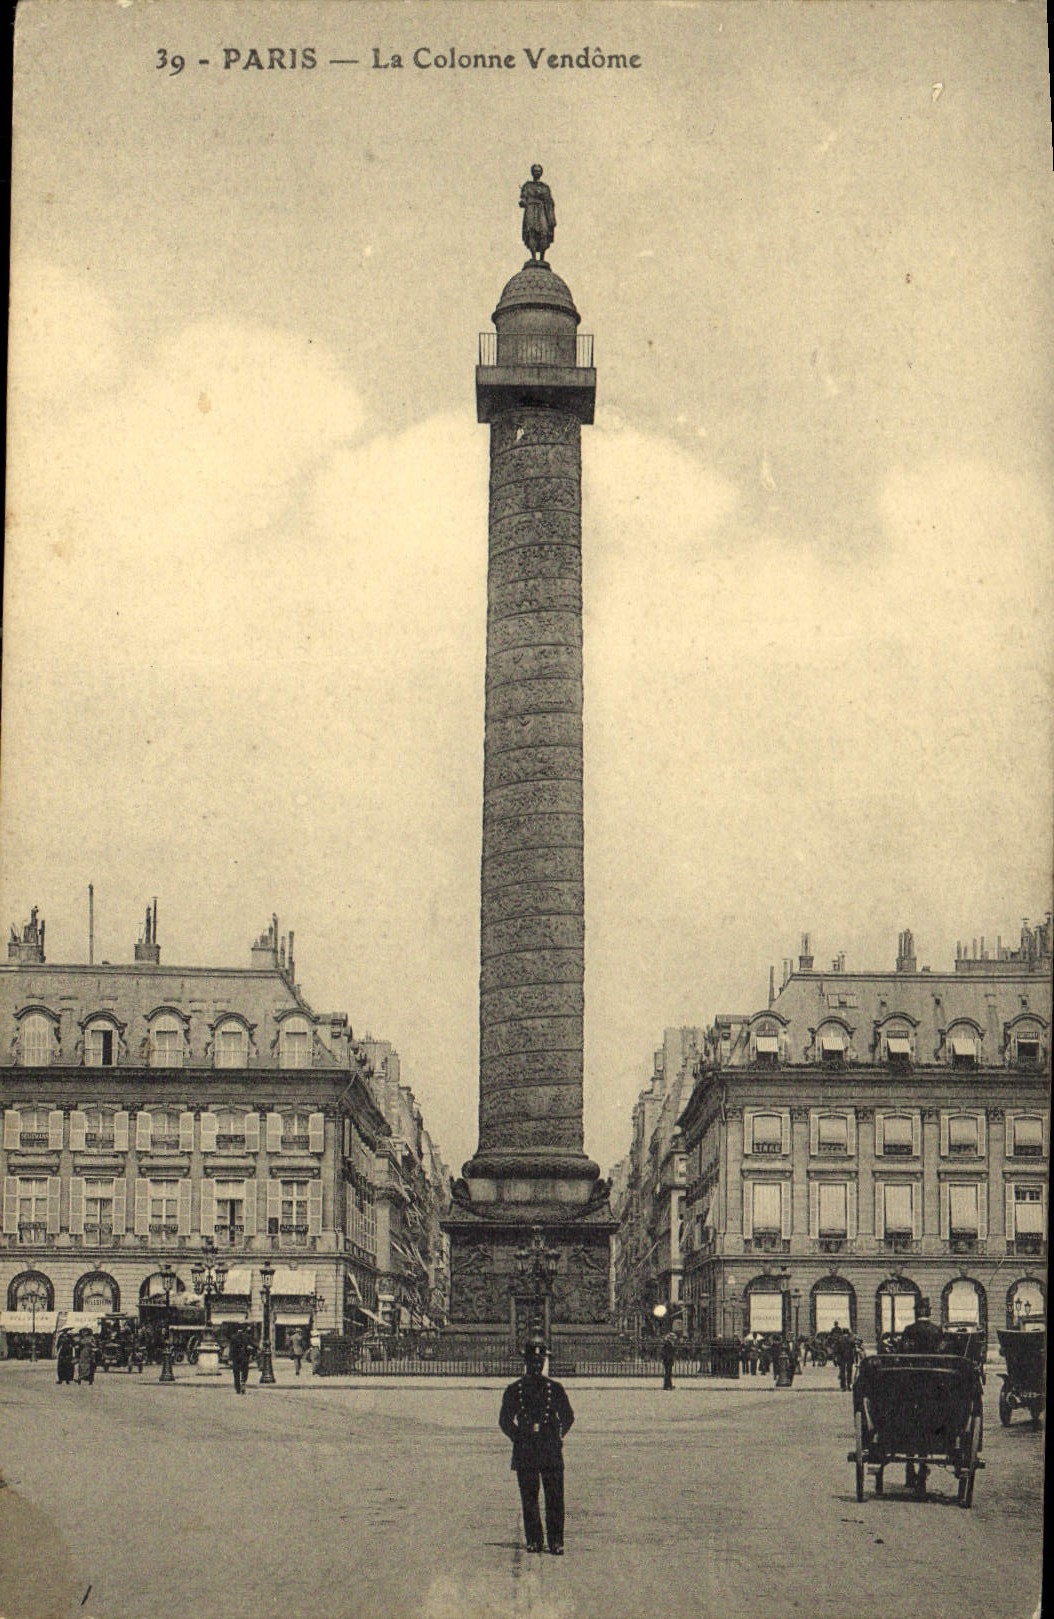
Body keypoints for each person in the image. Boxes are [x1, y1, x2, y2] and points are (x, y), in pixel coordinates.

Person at [499, 1335, 575, 1555]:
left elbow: (568, 1416)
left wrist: (555, 1436)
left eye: (539, 1362)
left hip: (547, 1448)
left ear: (543, 1363)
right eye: (533, 1362)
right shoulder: (515, 1389)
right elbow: (504, 1420)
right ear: (526, 1363)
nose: (536, 1366)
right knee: (530, 1497)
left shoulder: (555, 1388)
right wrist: (520, 1437)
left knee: (554, 1496)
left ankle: (555, 1541)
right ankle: (534, 1539)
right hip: (529, 1449)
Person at [519, 165, 556, 261]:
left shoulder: (545, 187)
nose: (537, 173)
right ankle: (534, 257)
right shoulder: (527, 186)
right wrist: (523, 202)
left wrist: (551, 217)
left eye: (539, 171)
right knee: (531, 232)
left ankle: (542, 258)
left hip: (542, 210)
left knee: (544, 232)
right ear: (532, 172)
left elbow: (549, 201)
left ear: (541, 173)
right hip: (531, 209)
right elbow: (523, 198)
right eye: (535, 171)